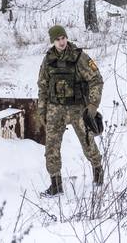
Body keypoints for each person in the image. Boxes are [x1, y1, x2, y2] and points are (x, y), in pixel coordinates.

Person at [38, 24, 103, 196]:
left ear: (67, 37)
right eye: (58, 39)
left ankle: (98, 173)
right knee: (51, 147)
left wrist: (93, 105)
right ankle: (56, 184)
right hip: (54, 109)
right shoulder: (48, 60)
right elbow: (42, 86)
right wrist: (42, 110)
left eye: (63, 38)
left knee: (88, 142)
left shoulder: (79, 57)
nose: (61, 42)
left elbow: (96, 80)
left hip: (77, 108)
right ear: (53, 41)